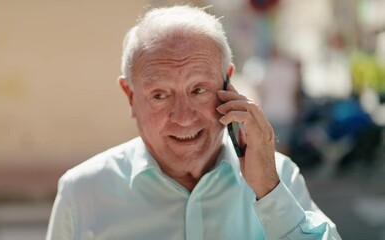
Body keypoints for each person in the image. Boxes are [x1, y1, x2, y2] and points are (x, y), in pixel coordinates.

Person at [46, 5, 341, 240]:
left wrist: (269, 192)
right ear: (130, 96)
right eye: (160, 95)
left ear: (228, 83)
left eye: (199, 90)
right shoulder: (81, 192)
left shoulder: (279, 177)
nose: (184, 117)